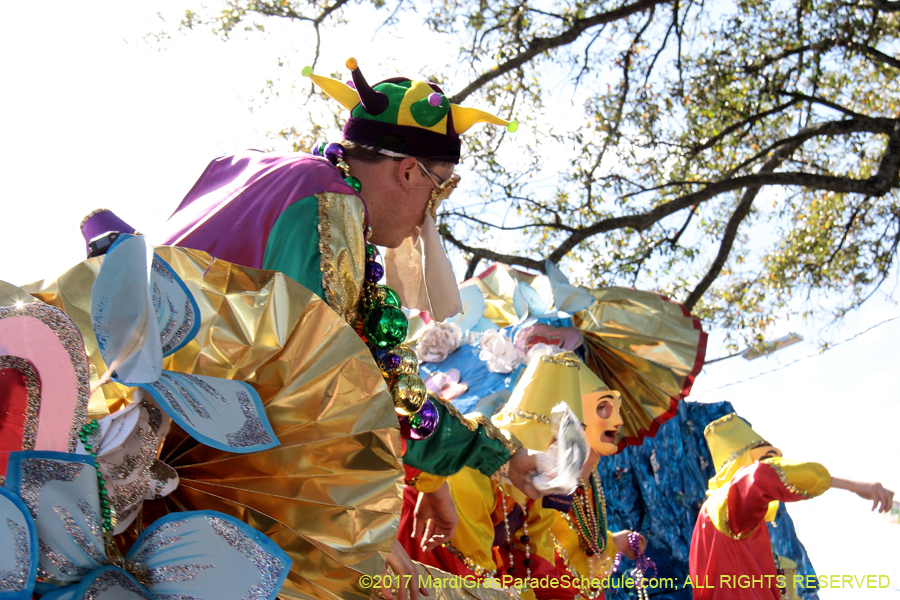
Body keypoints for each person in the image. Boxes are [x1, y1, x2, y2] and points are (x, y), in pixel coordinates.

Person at [79, 58, 537, 600]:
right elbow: (321, 391)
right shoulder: (330, 208)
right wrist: (350, 529)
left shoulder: (257, 172)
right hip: (201, 499)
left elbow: (365, 380)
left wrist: (465, 468)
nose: (426, 218)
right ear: (410, 172)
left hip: (124, 454)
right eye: (441, 189)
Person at [400, 354, 646, 600]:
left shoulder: (540, 478)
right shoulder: (472, 471)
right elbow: (473, 573)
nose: (570, 449)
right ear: (540, 431)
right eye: (561, 438)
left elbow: (537, 560)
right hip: (425, 542)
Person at [689, 412, 894, 600]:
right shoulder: (727, 503)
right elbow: (759, 476)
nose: (777, 467)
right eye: (769, 460)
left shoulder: (721, 517)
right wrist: (854, 486)